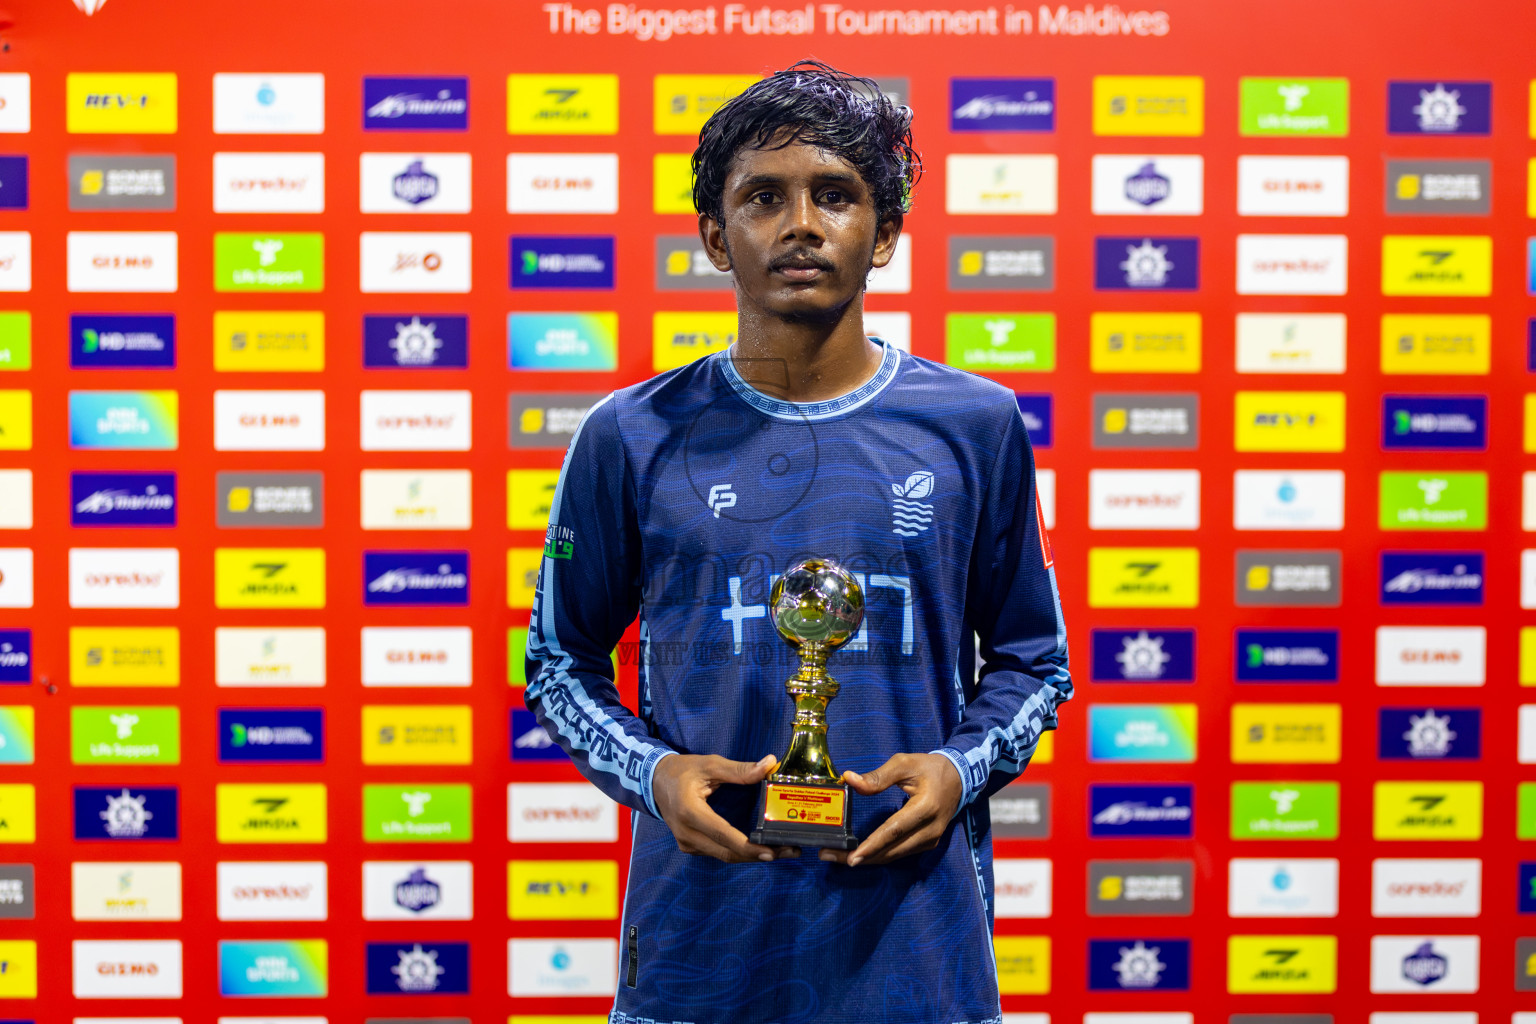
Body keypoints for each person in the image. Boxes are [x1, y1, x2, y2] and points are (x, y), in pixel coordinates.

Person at [524, 59, 1072, 1024]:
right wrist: (654, 773)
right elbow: (558, 663)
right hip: (701, 947)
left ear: (887, 233)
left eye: (836, 196)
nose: (802, 224)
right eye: (763, 197)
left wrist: (959, 767)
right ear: (713, 236)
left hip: (916, 949)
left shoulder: (977, 424)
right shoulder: (630, 433)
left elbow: (1035, 662)